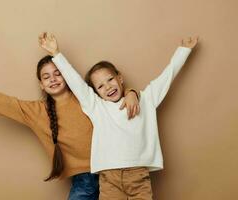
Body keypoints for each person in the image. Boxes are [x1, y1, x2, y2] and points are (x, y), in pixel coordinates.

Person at [0, 54, 141, 200]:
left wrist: (132, 92)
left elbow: (112, 94)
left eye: (57, 74)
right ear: (41, 84)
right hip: (84, 179)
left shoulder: (85, 96)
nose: (53, 79)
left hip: (115, 170)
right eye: (46, 77)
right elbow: (5, 103)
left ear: (66, 75)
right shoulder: (36, 111)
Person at [39, 33, 198, 200]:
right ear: (96, 93)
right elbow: (76, 82)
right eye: (100, 86)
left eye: (110, 79)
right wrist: (56, 53)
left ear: (120, 78)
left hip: (138, 177)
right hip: (109, 179)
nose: (107, 87)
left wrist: (184, 50)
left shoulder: (145, 100)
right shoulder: (97, 107)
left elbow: (167, 77)